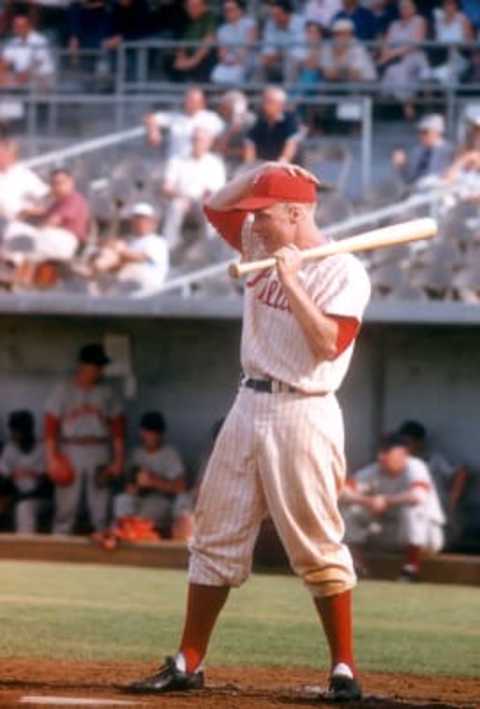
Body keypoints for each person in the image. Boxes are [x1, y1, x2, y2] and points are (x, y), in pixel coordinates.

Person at [126, 162, 371, 701]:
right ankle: (188, 660)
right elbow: (216, 205)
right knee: (213, 533)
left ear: (296, 214)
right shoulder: (258, 243)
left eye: (265, 213)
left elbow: (328, 343)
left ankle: (344, 668)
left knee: (316, 544)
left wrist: (292, 281)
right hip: (247, 401)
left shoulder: (344, 271)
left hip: (305, 409)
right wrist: (261, 171)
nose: (253, 222)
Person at [341, 433, 445, 581]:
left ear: (403, 453)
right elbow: (342, 492)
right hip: (390, 534)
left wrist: (385, 501)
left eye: (387, 451)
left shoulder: (415, 466)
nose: (381, 456)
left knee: (413, 509)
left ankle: (410, 569)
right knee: (350, 510)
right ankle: (358, 567)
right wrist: (368, 501)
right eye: (381, 451)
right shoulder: (374, 470)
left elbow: (418, 495)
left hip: (427, 539)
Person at [45, 343, 125, 535]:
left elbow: (118, 430)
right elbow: (50, 428)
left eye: (101, 366)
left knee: (101, 507)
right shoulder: (63, 391)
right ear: (83, 366)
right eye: (96, 366)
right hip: (70, 448)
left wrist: (118, 459)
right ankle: (60, 545)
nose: (100, 370)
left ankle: (105, 547)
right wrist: (52, 459)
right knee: (66, 506)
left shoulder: (108, 393)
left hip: (99, 449)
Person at [114, 411, 192, 540]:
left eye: (155, 433)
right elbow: (127, 484)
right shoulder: (136, 454)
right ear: (142, 432)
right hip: (140, 498)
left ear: (161, 434)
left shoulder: (170, 454)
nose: (152, 436)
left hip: (161, 500)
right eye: (148, 432)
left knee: (150, 512)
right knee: (122, 500)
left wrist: (154, 481)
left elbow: (181, 486)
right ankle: (122, 536)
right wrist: (134, 486)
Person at [161, 128, 226, 250]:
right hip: (181, 199)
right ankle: (169, 248)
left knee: (209, 209)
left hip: (204, 201)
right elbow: (166, 188)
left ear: (209, 143)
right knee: (176, 206)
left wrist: (204, 198)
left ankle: (211, 248)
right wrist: (181, 197)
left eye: (201, 140)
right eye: (194, 139)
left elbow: (217, 192)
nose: (197, 143)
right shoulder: (176, 160)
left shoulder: (215, 163)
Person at [91, 202, 169, 295]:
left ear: (151, 222)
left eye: (142, 219)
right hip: (130, 279)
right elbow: (121, 259)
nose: (138, 222)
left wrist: (121, 251)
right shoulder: (132, 241)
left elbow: (141, 258)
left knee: (125, 265)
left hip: (149, 279)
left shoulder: (157, 241)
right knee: (107, 259)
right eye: (136, 219)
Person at [397, 420, 468, 522]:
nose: (406, 446)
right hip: (409, 510)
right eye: (403, 442)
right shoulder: (398, 461)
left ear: (419, 442)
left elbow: (462, 471)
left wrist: (453, 499)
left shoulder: (434, 458)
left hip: (436, 508)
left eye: (410, 442)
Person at [378, 0, 429, 120]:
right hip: (396, 59)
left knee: (399, 71)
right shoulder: (394, 24)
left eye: (407, 7)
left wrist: (392, 54)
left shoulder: (419, 21)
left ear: (413, 8)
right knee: (394, 70)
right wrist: (385, 54)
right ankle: (407, 106)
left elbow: (415, 44)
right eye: (402, 7)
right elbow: (387, 43)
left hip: (415, 56)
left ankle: (407, 106)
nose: (404, 9)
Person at [145, 87, 224, 160]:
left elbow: (221, 139)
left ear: (202, 102)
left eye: (193, 101)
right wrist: (153, 131)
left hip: (200, 163)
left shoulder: (212, 119)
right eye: (188, 100)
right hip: (176, 162)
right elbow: (151, 117)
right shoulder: (175, 117)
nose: (189, 103)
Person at [0, 410, 45, 533]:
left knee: (24, 507)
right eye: (12, 430)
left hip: (39, 499)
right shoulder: (10, 449)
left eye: (16, 430)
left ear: (27, 430)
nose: (13, 434)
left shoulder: (42, 449)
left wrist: (19, 498)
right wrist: (7, 498)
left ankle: (26, 549)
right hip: (17, 497)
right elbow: (4, 479)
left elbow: (46, 487)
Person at [244, 86, 303, 164]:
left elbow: (291, 145)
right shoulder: (258, 120)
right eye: (264, 100)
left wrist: (280, 165)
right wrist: (250, 167)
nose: (264, 105)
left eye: (269, 101)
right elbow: (250, 145)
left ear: (280, 105)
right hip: (262, 167)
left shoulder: (291, 119)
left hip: (287, 169)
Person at [391, 114, 454, 185]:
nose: (421, 136)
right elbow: (409, 179)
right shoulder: (416, 151)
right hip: (419, 189)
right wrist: (401, 166)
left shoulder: (449, 151)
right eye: (420, 132)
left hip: (439, 188)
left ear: (437, 133)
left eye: (425, 132)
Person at [0, 13, 55, 89]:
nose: (17, 29)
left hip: (41, 75)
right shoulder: (13, 42)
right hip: (20, 76)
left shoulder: (39, 40)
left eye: (20, 26)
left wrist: (24, 74)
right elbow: (4, 61)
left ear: (28, 26)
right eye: (16, 26)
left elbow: (38, 61)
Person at [0, 137, 48, 222]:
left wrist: (33, 211)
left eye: (3, 153)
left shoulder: (23, 173)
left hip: (25, 220)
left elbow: (45, 195)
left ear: (12, 156)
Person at [259, 0, 306, 83]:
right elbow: (268, 50)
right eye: (273, 15)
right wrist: (273, 56)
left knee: (291, 62)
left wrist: (280, 55)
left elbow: (299, 52)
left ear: (288, 14)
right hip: (278, 60)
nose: (275, 18)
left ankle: (288, 94)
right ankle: (256, 92)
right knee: (260, 62)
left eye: (278, 15)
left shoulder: (301, 23)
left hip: (300, 61)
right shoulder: (271, 24)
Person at [211, 0, 257, 85]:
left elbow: (248, 47)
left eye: (231, 9)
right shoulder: (222, 30)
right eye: (226, 10)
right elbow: (222, 52)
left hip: (246, 60)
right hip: (229, 62)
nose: (228, 12)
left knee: (237, 74)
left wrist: (237, 61)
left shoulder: (249, 24)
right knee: (216, 74)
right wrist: (227, 61)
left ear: (240, 10)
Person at [171, 0, 217, 82]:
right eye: (188, 6)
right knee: (170, 60)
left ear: (204, 7)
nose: (191, 9)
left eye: (195, 6)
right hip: (190, 55)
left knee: (206, 61)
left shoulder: (209, 18)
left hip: (202, 56)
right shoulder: (188, 21)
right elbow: (183, 42)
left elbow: (208, 41)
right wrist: (180, 57)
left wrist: (192, 61)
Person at [430, 0, 473, 85]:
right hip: (442, 56)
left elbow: (470, 42)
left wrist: (456, 47)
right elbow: (436, 41)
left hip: (459, 55)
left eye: (451, 4)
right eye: (446, 4)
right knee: (430, 73)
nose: (448, 7)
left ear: (455, 6)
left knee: (448, 74)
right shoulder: (438, 21)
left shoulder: (463, 19)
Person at [321, 18, 377, 82]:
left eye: (344, 33)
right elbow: (327, 74)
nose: (340, 37)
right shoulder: (328, 45)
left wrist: (339, 62)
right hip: (339, 83)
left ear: (350, 34)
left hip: (365, 83)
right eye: (337, 34)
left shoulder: (357, 46)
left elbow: (355, 74)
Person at [215, 90, 255, 174]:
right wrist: (231, 130)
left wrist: (233, 151)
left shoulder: (251, 121)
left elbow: (250, 150)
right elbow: (219, 149)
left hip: (247, 164)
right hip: (225, 163)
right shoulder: (219, 121)